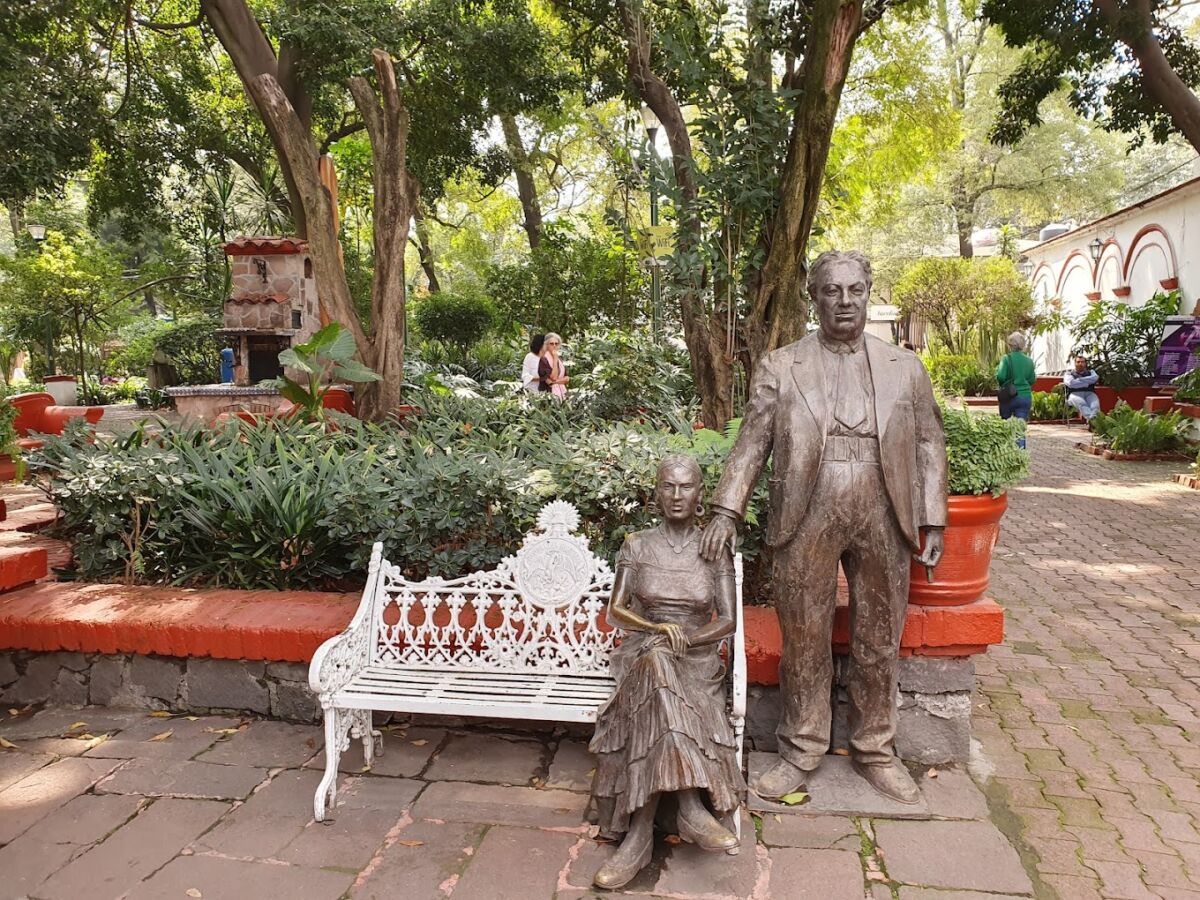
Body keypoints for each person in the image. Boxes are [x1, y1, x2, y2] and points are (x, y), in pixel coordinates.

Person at [699, 250, 947, 806]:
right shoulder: (782, 366)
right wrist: (726, 510)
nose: (845, 301)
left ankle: (875, 749)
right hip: (806, 510)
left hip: (884, 510)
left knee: (879, 636)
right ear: (814, 297)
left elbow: (930, 442)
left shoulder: (905, 367)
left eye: (855, 290)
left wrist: (932, 518)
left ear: (868, 293)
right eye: (832, 291)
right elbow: (752, 442)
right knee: (804, 637)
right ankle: (800, 748)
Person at [590, 454, 745, 889]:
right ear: (656, 493)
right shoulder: (637, 545)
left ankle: (638, 835)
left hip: (694, 656)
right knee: (655, 663)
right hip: (643, 648)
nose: (677, 495)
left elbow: (727, 621)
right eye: (668, 486)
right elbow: (617, 611)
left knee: (662, 671)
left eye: (686, 487)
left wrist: (686, 639)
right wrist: (657, 629)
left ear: (700, 494)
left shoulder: (713, 549)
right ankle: (689, 808)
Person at [996, 332, 1036, 449]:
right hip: (1025, 397)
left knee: (1005, 425)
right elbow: (1032, 379)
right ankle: (1020, 454)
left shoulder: (1006, 359)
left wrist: (1004, 384)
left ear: (1010, 345)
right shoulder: (1029, 361)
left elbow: (1001, 377)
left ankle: (1006, 452)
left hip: (1009, 397)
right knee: (1020, 429)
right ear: (1022, 345)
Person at [1063, 355, 1101, 423]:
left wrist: (1079, 380)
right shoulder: (1069, 373)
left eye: (1082, 362)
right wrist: (1087, 383)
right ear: (1075, 363)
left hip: (1090, 393)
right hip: (1074, 394)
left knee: (1095, 406)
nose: (1080, 364)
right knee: (1082, 404)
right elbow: (1071, 383)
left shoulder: (1091, 372)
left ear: (1085, 363)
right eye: (1078, 362)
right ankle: (1092, 421)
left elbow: (1095, 378)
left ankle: (1093, 421)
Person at [538, 332, 569, 400]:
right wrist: (555, 360)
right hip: (549, 396)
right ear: (546, 345)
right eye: (551, 344)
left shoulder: (559, 359)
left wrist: (554, 382)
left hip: (562, 392)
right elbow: (554, 377)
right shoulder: (543, 359)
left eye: (556, 343)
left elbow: (567, 379)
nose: (554, 346)